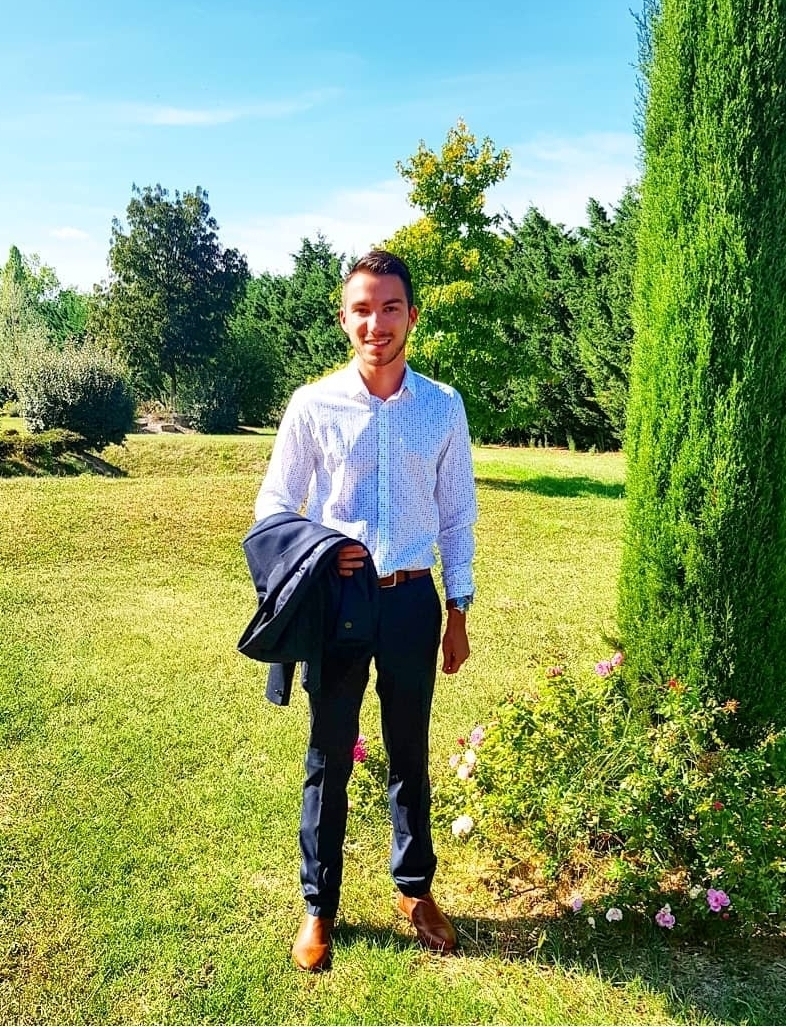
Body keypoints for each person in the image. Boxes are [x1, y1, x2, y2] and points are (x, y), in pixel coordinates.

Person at [254, 249, 477, 972]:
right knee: (329, 755)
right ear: (343, 317)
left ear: (411, 315)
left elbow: (457, 514)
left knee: (409, 750)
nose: (375, 323)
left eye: (389, 308)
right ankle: (319, 904)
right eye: (362, 309)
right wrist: (322, 548)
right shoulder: (313, 404)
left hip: (413, 600)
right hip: (341, 604)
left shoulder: (442, 407)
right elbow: (274, 505)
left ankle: (415, 891)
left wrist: (458, 608)